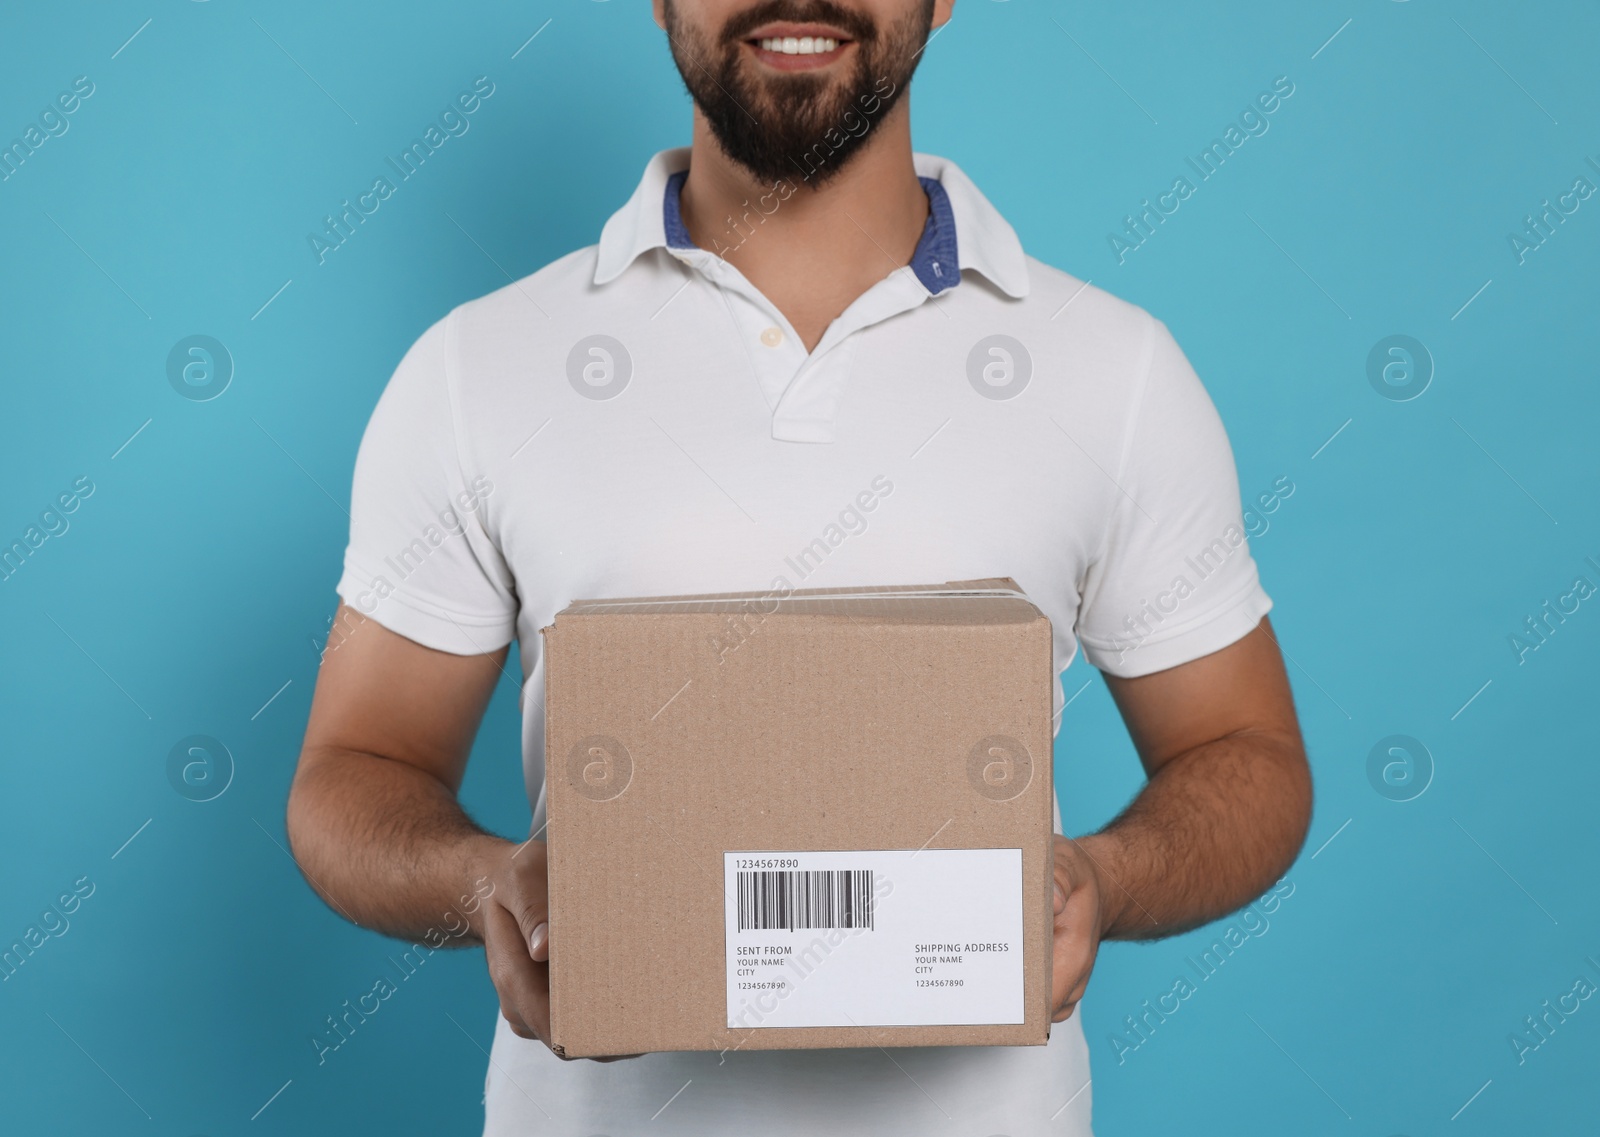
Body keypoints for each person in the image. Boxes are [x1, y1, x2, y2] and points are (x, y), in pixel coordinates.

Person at [286, 2, 1313, 1133]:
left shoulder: (1112, 374)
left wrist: (1103, 879)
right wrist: (492, 886)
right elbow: (352, 773)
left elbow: (1247, 757)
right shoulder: (479, 370)